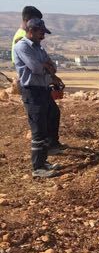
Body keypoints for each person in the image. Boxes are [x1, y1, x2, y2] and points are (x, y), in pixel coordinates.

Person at [13, 18, 63, 178]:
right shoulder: (22, 46)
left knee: (48, 121)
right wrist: (45, 66)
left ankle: (43, 161)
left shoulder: (38, 48)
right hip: (32, 91)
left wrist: (47, 67)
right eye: (41, 32)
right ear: (31, 31)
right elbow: (35, 68)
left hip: (43, 89)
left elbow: (53, 67)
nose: (43, 36)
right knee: (38, 129)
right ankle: (38, 167)